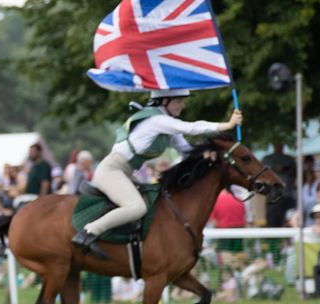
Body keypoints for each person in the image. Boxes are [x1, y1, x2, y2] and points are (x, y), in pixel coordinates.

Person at [72, 89, 242, 258]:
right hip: (111, 171)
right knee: (137, 208)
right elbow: (190, 128)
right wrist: (227, 125)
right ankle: (88, 232)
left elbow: (186, 150)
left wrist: (205, 155)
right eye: (178, 101)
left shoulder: (165, 123)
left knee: (155, 203)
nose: (182, 106)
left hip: (125, 172)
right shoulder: (157, 120)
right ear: (164, 101)